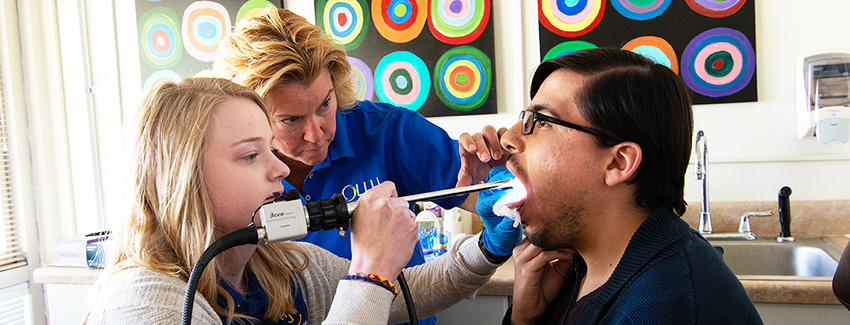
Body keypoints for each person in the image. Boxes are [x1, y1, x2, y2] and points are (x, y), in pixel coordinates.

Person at [83, 77, 513, 324]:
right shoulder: (142, 301)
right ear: (181, 180)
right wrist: (367, 275)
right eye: (251, 155)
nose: (282, 170)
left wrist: (486, 248)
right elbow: (370, 290)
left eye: (272, 149)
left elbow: (405, 293)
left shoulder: (283, 268)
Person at [212, 10, 512, 324]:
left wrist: (499, 181)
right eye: (291, 120)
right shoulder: (231, 178)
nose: (317, 134)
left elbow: (494, 202)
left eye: (325, 105)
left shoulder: (388, 132)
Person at [488, 48, 762, 324]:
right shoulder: (573, 264)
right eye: (527, 117)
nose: (508, 138)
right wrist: (524, 319)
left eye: (543, 121)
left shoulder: (663, 308)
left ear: (618, 163)